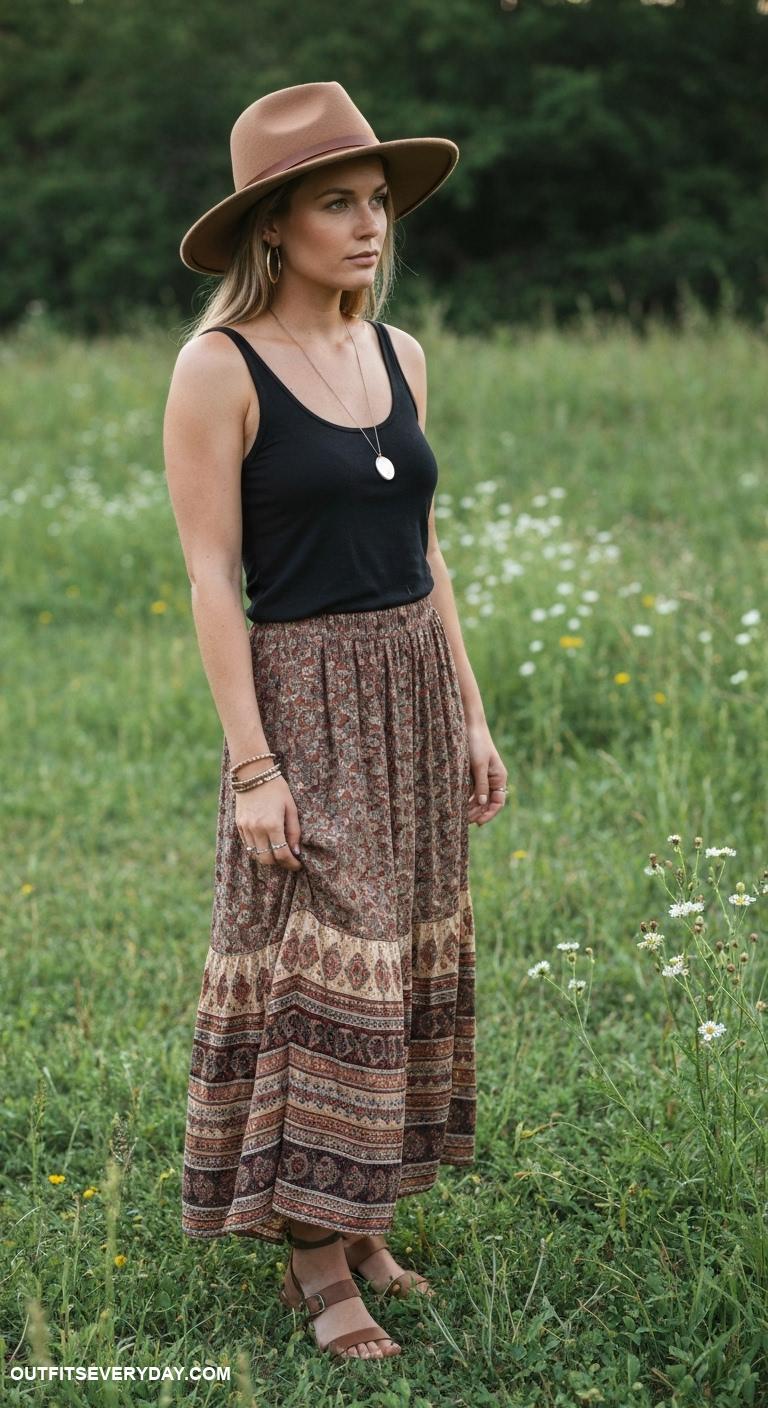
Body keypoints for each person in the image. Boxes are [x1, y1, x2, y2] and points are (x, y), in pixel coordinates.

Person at [164, 81, 508, 1362]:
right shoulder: (218, 368)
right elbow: (210, 573)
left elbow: (425, 544)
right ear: (274, 224)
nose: (369, 227)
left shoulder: (401, 352)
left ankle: (360, 1216)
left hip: (414, 683)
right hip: (306, 694)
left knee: (402, 949)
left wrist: (471, 714)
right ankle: (315, 1256)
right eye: (337, 204)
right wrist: (254, 765)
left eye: (375, 203)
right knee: (327, 963)